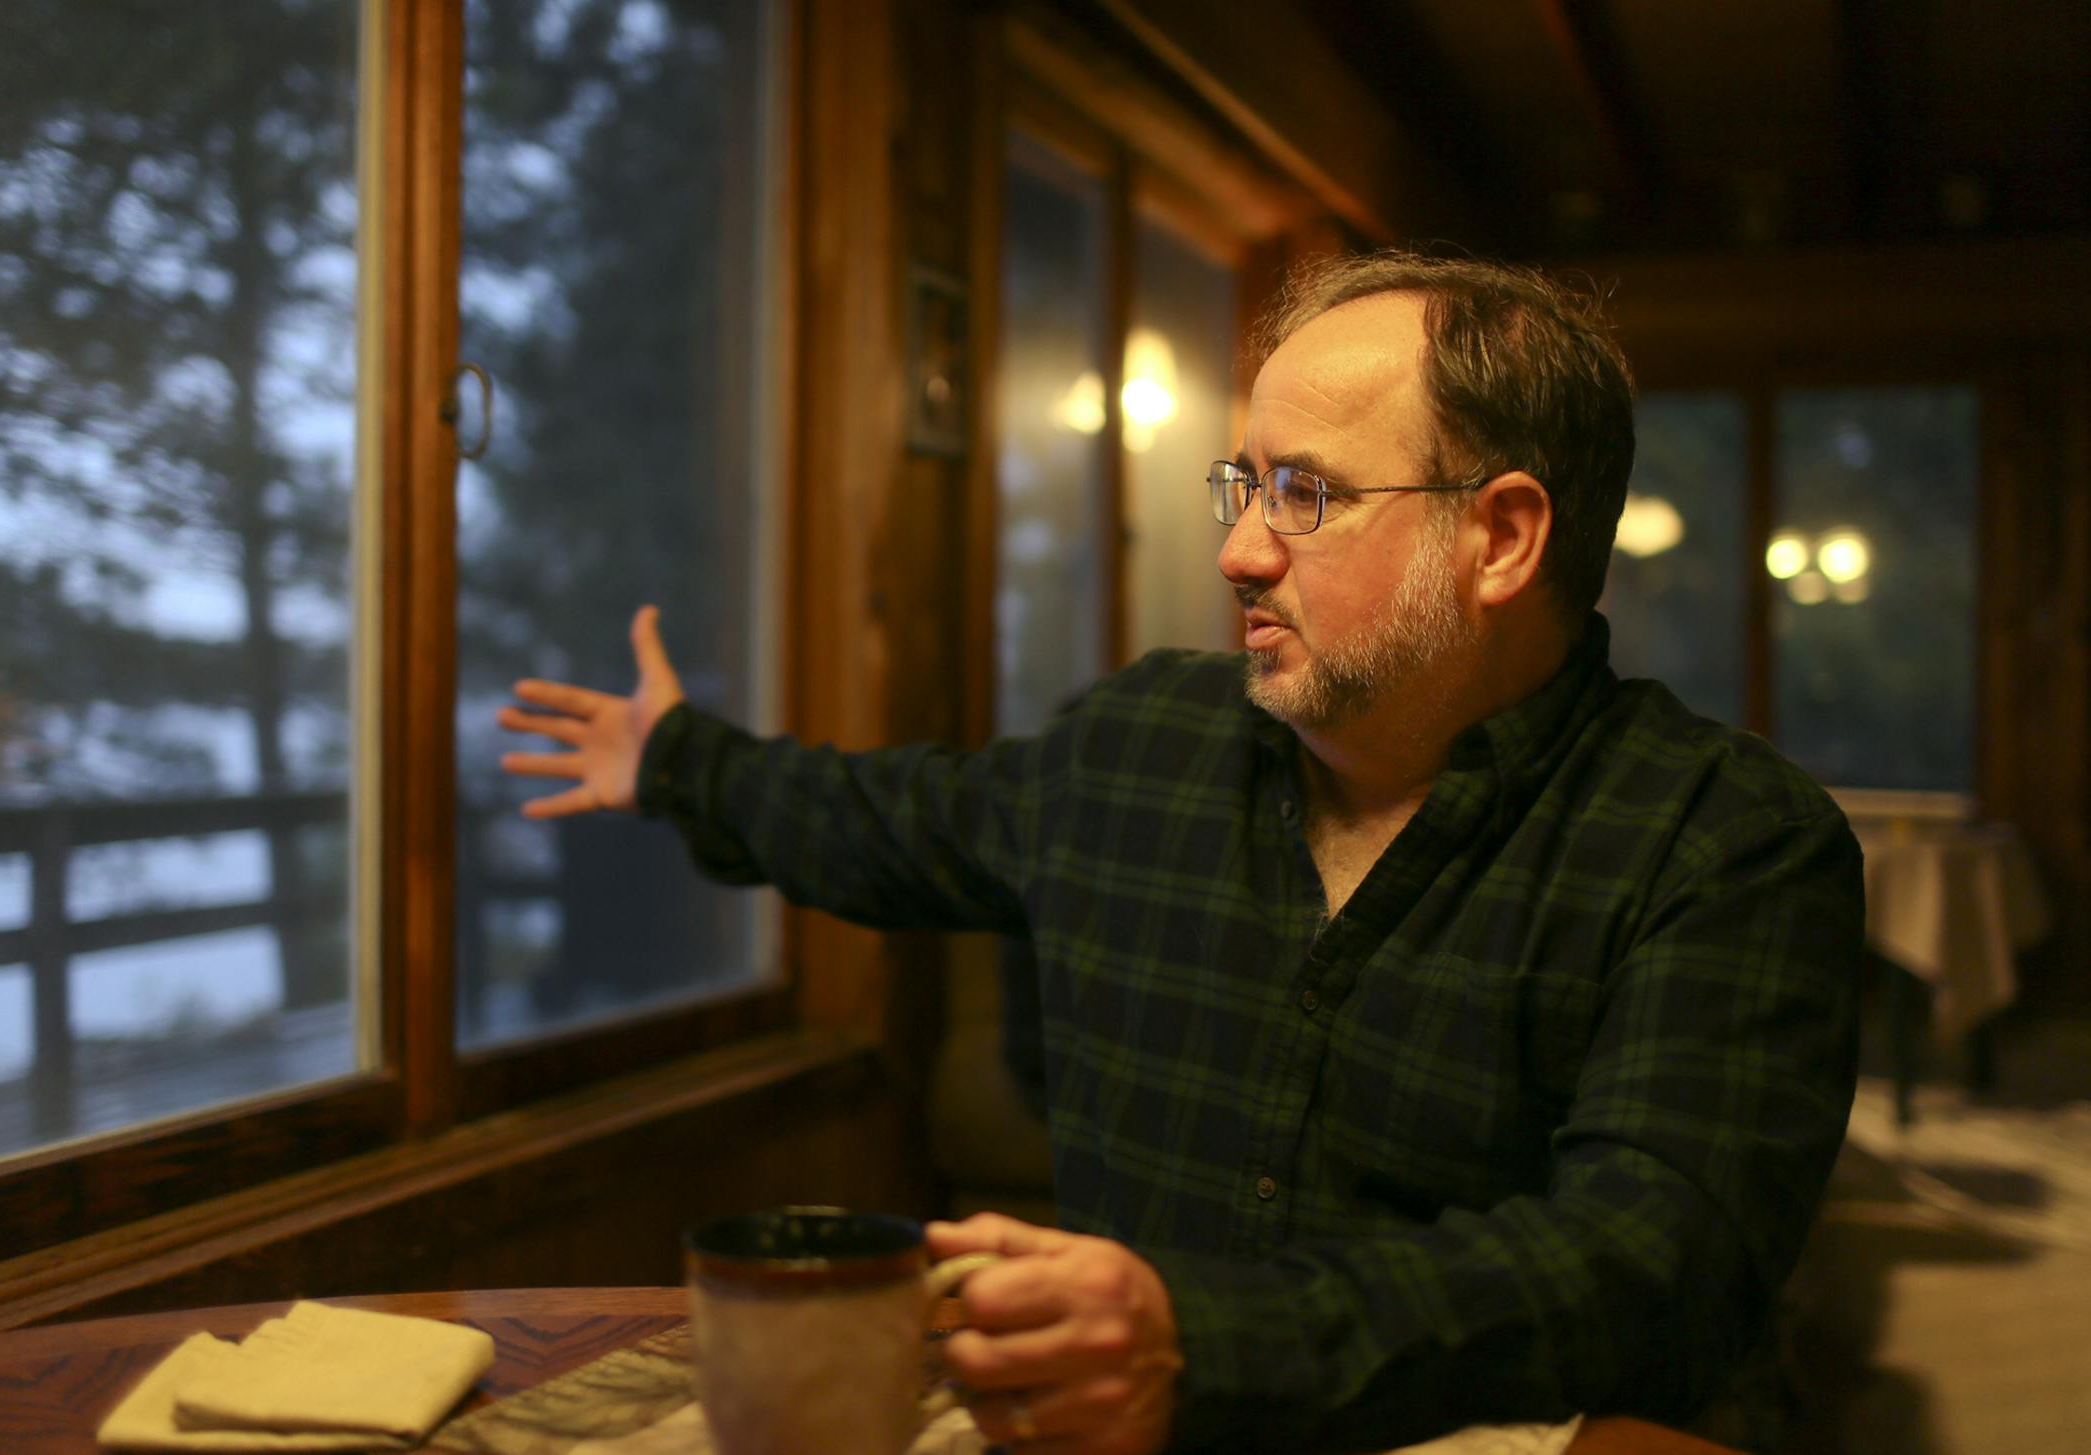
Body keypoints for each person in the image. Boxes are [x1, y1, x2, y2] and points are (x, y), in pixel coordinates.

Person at [496, 251, 1863, 1455]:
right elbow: (889, 820)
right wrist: (674, 762)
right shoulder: (1143, 743)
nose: (1236, 550)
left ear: (1500, 537)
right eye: (1242, 484)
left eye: (1305, 494)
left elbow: (1653, 1264)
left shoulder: (1729, 843)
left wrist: (1201, 1340)